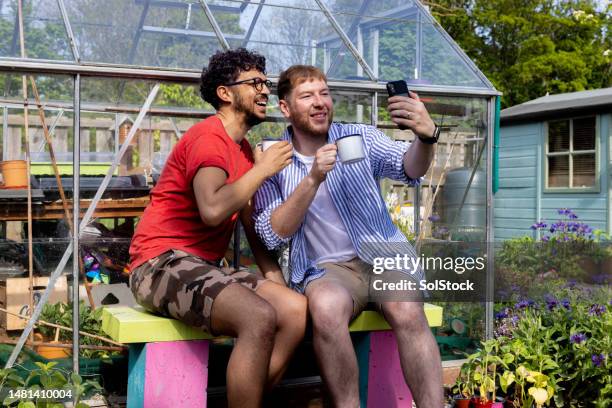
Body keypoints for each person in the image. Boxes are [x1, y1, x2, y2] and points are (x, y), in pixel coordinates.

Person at [253, 65, 443, 407]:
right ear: (285, 108)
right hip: (326, 269)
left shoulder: (358, 137)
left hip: (382, 255)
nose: (319, 102)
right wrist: (311, 180)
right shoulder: (273, 158)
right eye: (307, 96)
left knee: (406, 306)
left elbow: (408, 168)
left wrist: (426, 136)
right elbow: (271, 233)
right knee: (325, 308)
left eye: (324, 93)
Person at [128, 49, 307, 408]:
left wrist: (274, 279)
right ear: (225, 93)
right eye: (255, 82)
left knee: (293, 309)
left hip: (203, 267)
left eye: (266, 83)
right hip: (158, 264)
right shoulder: (207, 139)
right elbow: (212, 210)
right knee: (257, 316)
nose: (265, 90)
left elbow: (250, 226)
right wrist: (262, 171)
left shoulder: (242, 151)